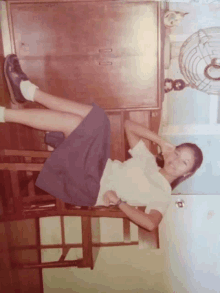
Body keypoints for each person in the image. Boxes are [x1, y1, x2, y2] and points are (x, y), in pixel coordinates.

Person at [2, 54, 203, 231]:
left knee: (91, 121)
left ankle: (25, 92)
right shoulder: (149, 161)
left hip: (89, 187)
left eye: (183, 162)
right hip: (95, 166)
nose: (175, 161)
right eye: (177, 153)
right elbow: (129, 126)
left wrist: (120, 202)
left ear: (186, 173)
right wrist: (161, 142)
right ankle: (19, 99)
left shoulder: (163, 194)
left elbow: (150, 224)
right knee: (95, 118)